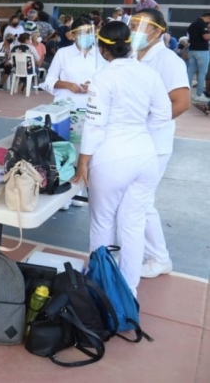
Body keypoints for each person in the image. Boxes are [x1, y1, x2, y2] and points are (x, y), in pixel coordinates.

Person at [73, 21, 172, 298]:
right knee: (133, 223)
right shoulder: (148, 73)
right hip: (145, 156)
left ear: (103, 49)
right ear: (129, 45)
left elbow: (94, 125)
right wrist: (139, 133)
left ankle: (100, 286)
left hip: (110, 158)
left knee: (103, 222)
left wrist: (83, 161)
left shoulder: (103, 77)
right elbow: (163, 115)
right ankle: (129, 290)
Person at [129, 9, 191, 278]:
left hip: (154, 142)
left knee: (141, 202)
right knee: (135, 201)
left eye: (141, 26)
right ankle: (140, 251)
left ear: (158, 32)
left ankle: (158, 258)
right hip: (133, 140)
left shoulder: (168, 61)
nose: (135, 30)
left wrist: (148, 124)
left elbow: (182, 102)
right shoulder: (132, 56)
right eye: (132, 25)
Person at [41, 17, 106, 109]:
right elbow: (49, 80)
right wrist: (68, 85)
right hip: (67, 105)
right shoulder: (63, 53)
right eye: (81, 33)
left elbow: (109, 80)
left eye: (88, 32)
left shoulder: (101, 54)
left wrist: (94, 86)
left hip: (94, 107)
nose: (86, 35)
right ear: (73, 35)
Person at [185, 12, 210, 101]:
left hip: (192, 50)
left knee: (191, 71)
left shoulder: (192, 25)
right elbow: (206, 37)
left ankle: (185, 93)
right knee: (202, 72)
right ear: (207, 18)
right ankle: (199, 94)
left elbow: (189, 38)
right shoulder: (202, 24)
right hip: (202, 51)